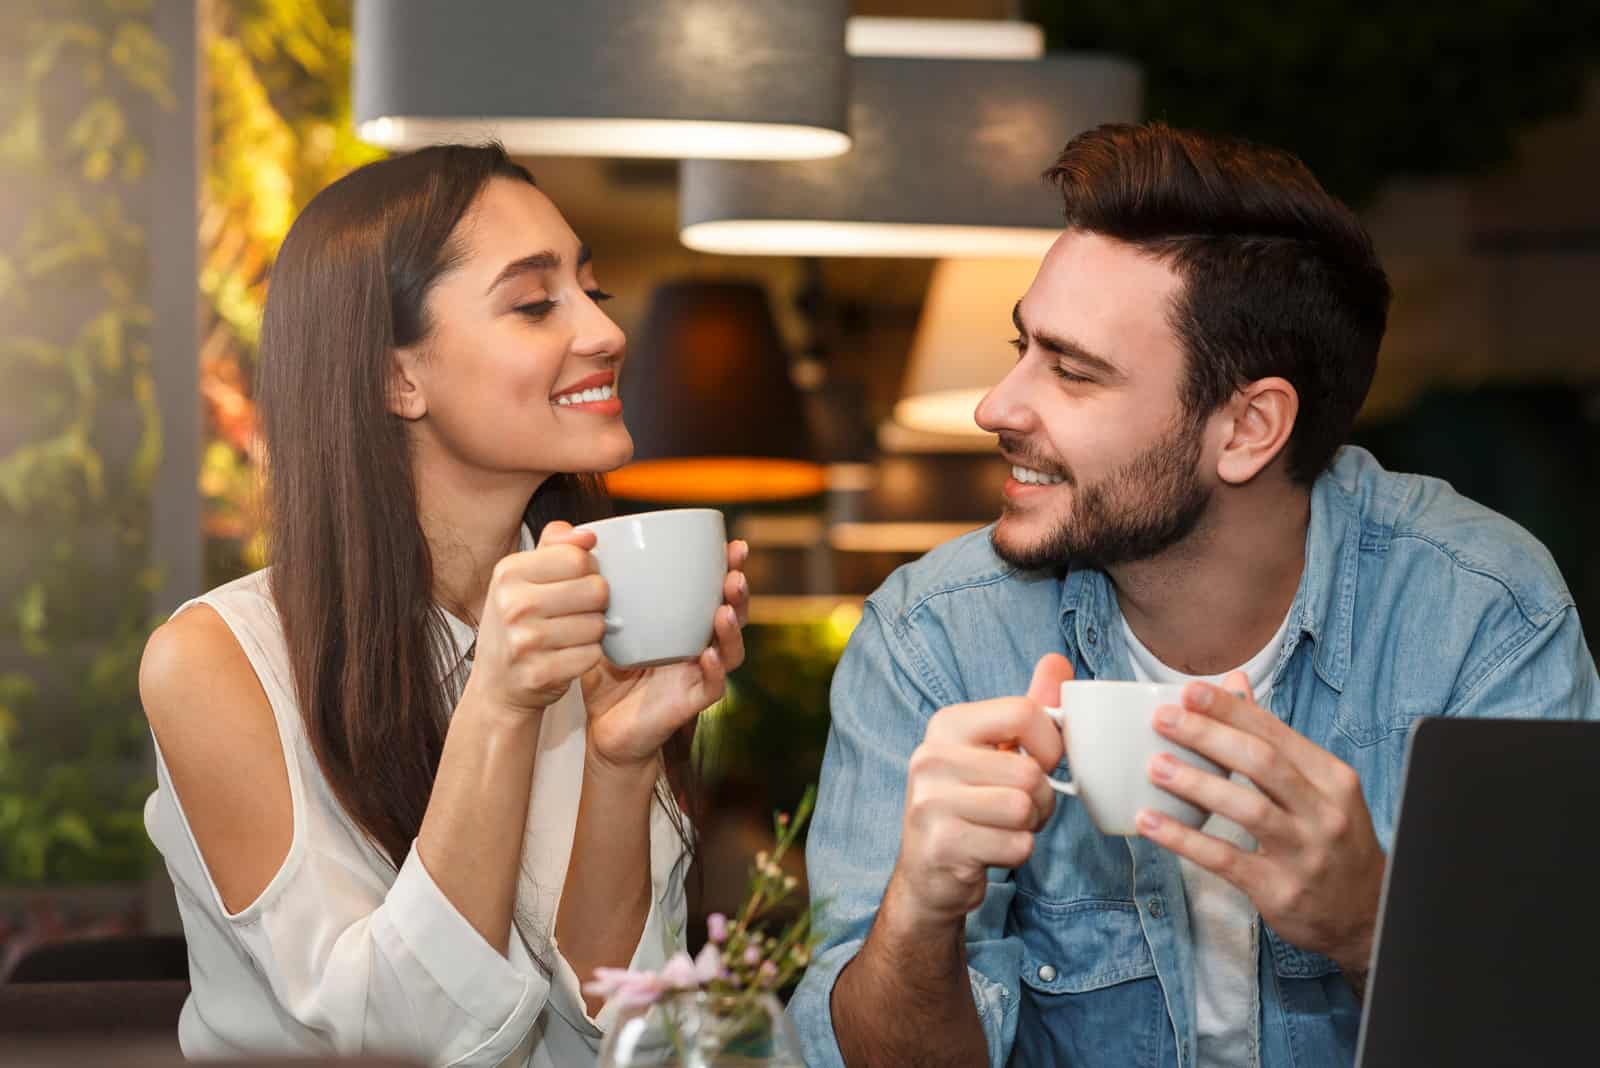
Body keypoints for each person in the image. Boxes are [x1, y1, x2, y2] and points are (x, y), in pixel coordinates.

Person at [789, 122, 1600, 1068]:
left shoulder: (1480, 612)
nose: (996, 408)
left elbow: (1552, 1032)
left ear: (1249, 427)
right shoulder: (935, 638)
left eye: (1072, 371)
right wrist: (920, 916)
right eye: (1021, 348)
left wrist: (1375, 929)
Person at [138, 144, 750, 1067]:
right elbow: (407, 1042)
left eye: (594, 291)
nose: (605, 331)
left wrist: (622, 763)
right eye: (537, 302)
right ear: (396, 378)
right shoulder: (218, 662)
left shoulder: (601, 620)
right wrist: (499, 705)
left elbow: (617, 1035)